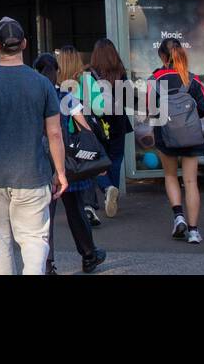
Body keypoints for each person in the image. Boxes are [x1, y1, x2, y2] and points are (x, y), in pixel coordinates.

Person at [0, 17, 68, 275]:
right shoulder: (42, 84)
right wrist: (61, 173)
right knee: (33, 240)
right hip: (32, 174)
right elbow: (54, 133)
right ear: (24, 43)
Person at [37, 53, 108, 273]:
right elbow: (85, 127)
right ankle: (89, 255)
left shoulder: (32, 97)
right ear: (57, 71)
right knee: (76, 210)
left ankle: (47, 265)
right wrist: (96, 156)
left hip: (39, 163)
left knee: (44, 216)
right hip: (67, 162)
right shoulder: (66, 97)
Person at [152, 38, 204, 244]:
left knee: (170, 176)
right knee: (191, 181)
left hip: (165, 134)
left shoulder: (155, 80)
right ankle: (194, 231)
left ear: (162, 56)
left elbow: (150, 110)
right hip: (191, 136)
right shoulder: (193, 80)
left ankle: (178, 217)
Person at [56, 46, 103, 228]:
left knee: (69, 168)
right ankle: (89, 206)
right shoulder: (87, 80)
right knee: (87, 166)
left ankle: (75, 205)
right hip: (84, 130)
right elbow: (99, 108)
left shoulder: (56, 82)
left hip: (63, 133)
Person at [87, 38, 130, 218]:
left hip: (98, 126)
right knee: (116, 160)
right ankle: (112, 196)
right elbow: (127, 99)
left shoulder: (90, 75)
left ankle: (107, 188)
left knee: (97, 162)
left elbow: (87, 103)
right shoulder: (120, 73)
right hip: (118, 123)